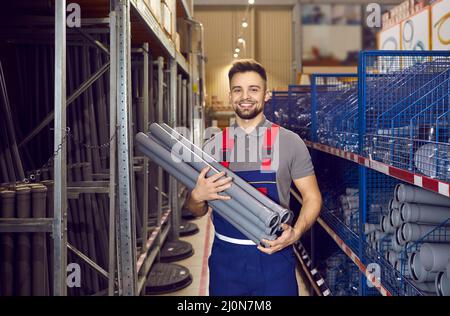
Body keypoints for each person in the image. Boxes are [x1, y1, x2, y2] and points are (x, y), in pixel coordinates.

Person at [183, 59, 322, 296]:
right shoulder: (212, 147)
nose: (245, 96)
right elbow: (197, 210)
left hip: (274, 259)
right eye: (238, 90)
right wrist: (197, 196)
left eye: (253, 89)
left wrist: (296, 233)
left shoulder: (289, 143)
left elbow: (312, 197)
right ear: (230, 96)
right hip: (226, 262)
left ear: (266, 94)